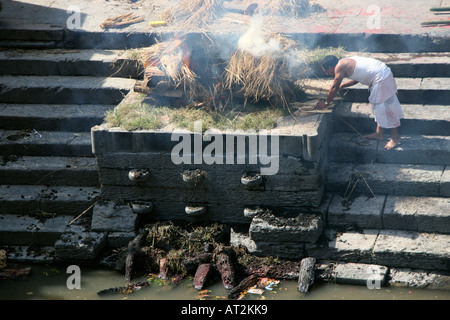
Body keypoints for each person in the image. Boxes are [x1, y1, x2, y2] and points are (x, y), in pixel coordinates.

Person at [316, 55, 404, 150]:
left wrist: (325, 102)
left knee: (385, 108)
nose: (327, 73)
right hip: (382, 74)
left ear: (331, 67)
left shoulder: (339, 67)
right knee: (378, 106)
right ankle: (379, 134)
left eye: (326, 71)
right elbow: (358, 77)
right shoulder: (345, 62)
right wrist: (343, 85)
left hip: (381, 78)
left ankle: (395, 138)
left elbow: (334, 87)